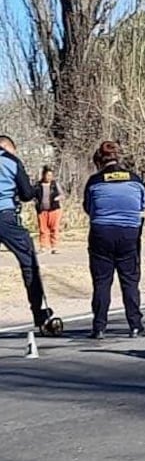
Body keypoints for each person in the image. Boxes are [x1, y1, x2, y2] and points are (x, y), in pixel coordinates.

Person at [83, 142, 145, 339]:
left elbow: (88, 207)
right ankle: (135, 325)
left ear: (99, 160)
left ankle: (99, 327)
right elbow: (143, 205)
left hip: (101, 232)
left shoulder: (94, 181)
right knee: (129, 279)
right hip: (129, 233)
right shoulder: (135, 179)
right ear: (118, 157)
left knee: (102, 281)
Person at [0, 135, 61, 335]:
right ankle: (40, 313)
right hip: (6, 217)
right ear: (8, 147)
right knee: (29, 262)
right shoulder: (10, 161)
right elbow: (26, 193)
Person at [34, 166, 63, 254]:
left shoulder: (55, 185)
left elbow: (62, 195)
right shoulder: (37, 185)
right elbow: (33, 196)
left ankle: (54, 247)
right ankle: (43, 246)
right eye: (47, 175)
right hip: (42, 210)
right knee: (43, 229)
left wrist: (58, 198)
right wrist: (36, 202)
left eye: (51, 175)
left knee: (54, 228)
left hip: (54, 210)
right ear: (43, 175)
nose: (49, 177)